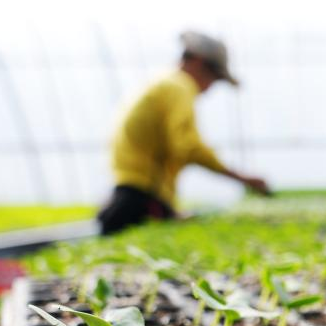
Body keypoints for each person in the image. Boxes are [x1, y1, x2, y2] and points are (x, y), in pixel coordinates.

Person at [97, 31, 270, 234]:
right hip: (141, 195)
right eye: (213, 77)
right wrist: (242, 178)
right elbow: (188, 146)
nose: (209, 88)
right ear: (198, 62)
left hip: (135, 190)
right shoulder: (179, 87)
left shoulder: (164, 83)